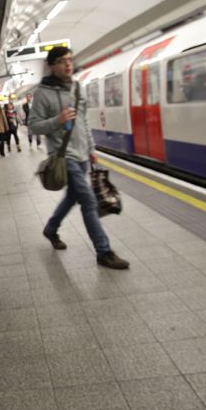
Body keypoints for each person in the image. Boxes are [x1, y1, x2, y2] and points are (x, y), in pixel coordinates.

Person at [28, 47, 130, 269]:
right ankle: (104, 251)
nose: (68, 64)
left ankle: (50, 229)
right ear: (52, 65)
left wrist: (92, 149)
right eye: (62, 61)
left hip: (83, 154)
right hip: (64, 156)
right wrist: (58, 119)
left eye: (70, 60)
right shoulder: (42, 93)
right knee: (88, 200)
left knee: (72, 197)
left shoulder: (77, 87)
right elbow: (33, 126)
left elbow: (83, 121)